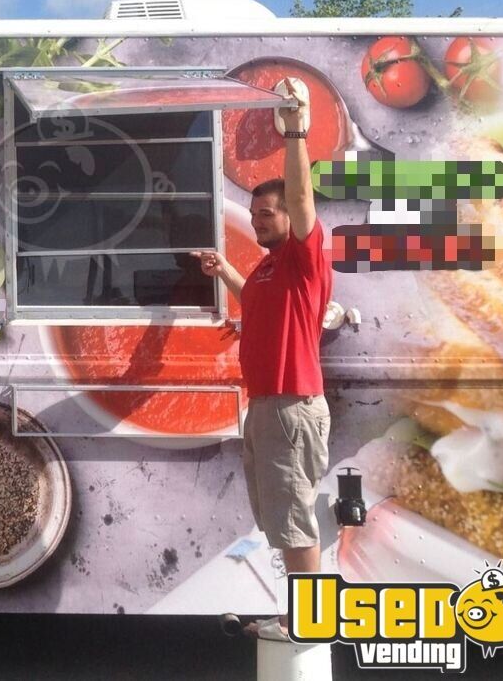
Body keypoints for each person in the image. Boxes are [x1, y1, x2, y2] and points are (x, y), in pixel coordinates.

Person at [192, 80, 331, 642]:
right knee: (279, 516)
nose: (258, 222)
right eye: (254, 214)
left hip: (291, 407)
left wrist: (295, 132)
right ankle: (295, 616)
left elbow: (302, 200)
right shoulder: (270, 270)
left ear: (291, 217)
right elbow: (253, 301)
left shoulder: (303, 259)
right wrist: (224, 270)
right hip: (268, 407)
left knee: (294, 521)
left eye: (267, 213)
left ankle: (308, 623)